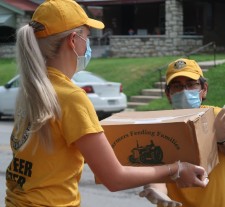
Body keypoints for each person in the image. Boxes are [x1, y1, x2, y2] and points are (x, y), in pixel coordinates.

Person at [5, 1, 208, 206]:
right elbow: (115, 178)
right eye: (88, 37)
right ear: (74, 40)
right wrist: (176, 169)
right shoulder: (71, 97)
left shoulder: (36, 89)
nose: (89, 44)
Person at [139, 58, 225, 207]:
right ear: (168, 94)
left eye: (191, 85)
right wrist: (156, 192)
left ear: (203, 89)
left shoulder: (217, 117)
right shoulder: (158, 130)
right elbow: (155, 174)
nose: (184, 91)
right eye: (177, 86)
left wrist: (220, 139)